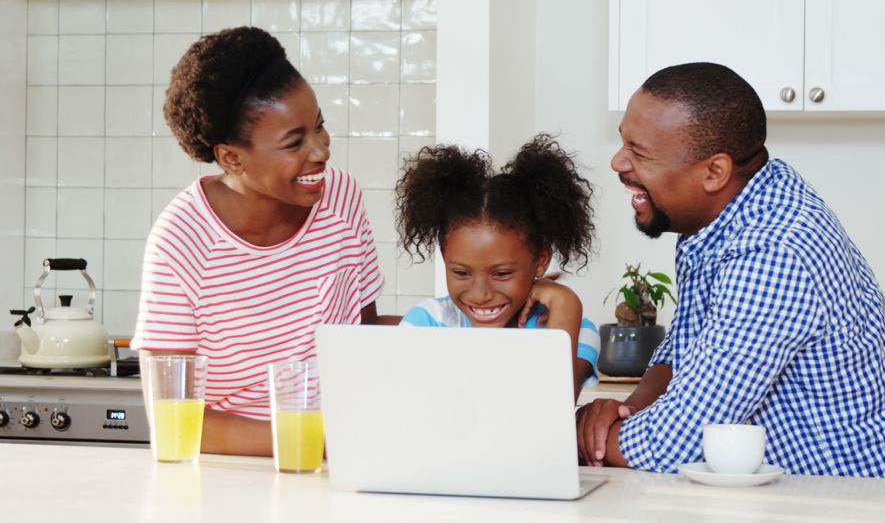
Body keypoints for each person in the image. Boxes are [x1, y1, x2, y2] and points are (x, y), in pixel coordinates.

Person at [576, 62, 885, 478]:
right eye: (624, 143)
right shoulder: (724, 214)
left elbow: (674, 443)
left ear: (714, 172)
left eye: (640, 152)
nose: (618, 162)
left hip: (855, 504)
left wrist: (572, 437)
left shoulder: (773, 249)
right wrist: (625, 410)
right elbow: (681, 355)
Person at [131, 27, 395, 456]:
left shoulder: (341, 198)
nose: (321, 150)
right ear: (232, 157)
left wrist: (504, 310)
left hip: (337, 463)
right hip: (232, 479)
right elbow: (172, 421)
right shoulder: (181, 239)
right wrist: (319, 439)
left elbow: (360, 337)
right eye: (295, 142)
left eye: (320, 126)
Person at [395, 135, 600, 397]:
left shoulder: (574, 328)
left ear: (541, 260)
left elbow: (549, 411)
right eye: (461, 272)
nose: (480, 294)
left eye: (501, 274)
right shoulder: (426, 323)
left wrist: (566, 305)